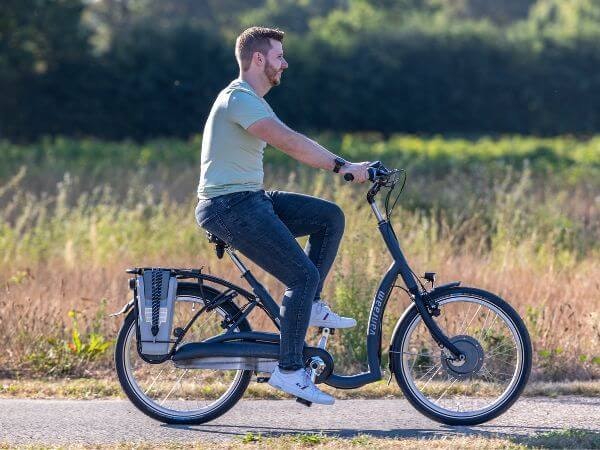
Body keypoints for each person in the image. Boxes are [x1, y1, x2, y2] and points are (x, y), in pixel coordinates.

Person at [194, 26, 371, 405]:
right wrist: (342, 165)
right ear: (258, 59)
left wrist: (347, 165)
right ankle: (290, 370)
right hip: (229, 206)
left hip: (248, 199)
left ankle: (311, 307)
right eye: (279, 56)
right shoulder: (239, 99)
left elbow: (292, 137)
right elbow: (288, 141)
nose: (285, 63)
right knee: (301, 275)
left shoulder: (251, 99)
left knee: (329, 217)